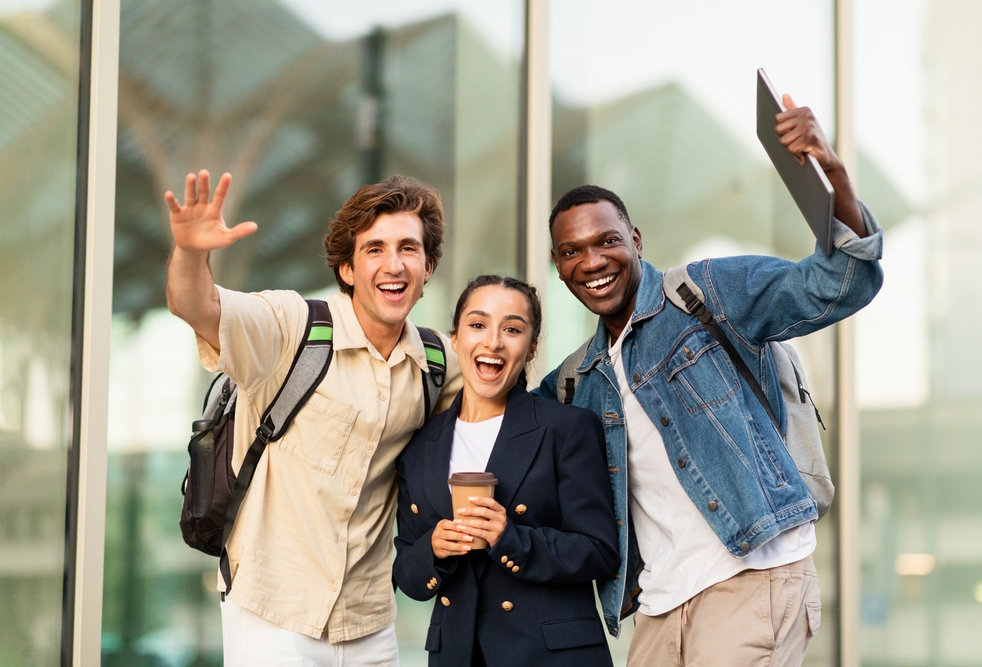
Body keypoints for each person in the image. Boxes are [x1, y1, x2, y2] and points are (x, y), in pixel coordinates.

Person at [536, 95, 884, 666]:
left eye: (607, 241)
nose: (592, 261)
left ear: (636, 240)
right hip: (660, 603)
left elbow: (843, 280)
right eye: (573, 251)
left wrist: (833, 173)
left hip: (753, 576)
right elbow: (502, 425)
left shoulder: (705, 294)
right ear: (558, 265)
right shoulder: (579, 380)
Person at [164, 171, 461, 665]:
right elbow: (197, 305)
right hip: (272, 613)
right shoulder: (291, 328)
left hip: (369, 621)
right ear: (347, 268)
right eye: (375, 249)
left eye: (408, 249)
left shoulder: (436, 362)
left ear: (428, 266)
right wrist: (192, 253)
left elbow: (501, 399)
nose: (394, 265)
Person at [393, 275, 620, 667]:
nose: (493, 341)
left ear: (531, 347)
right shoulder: (419, 445)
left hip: (551, 657)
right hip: (458, 655)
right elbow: (408, 575)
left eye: (512, 329)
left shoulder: (567, 429)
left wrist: (510, 538)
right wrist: (434, 548)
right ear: (455, 338)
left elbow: (600, 552)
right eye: (477, 325)